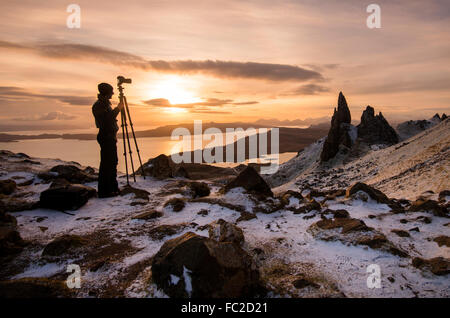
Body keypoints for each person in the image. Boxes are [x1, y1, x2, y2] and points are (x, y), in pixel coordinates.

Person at [92, 82, 124, 198]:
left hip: (110, 136)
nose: (113, 94)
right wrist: (118, 109)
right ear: (106, 93)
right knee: (107, 164)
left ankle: (112, 188)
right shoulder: (99, 105)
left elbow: (109, 118)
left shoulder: (104, 104)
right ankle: (105, 191)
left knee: (113, 162)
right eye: (111, 92)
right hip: (106, 136)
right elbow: (107, 119)